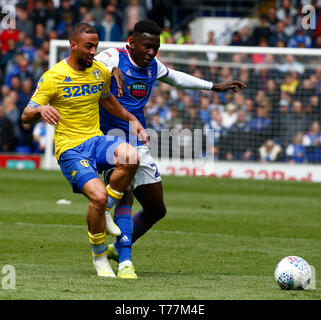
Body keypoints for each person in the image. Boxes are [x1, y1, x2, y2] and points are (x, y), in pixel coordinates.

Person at [95, 19, 246, 274]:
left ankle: (118, 246)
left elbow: (177, 78)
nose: (151, 53)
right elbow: (94, 67)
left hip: (137, 140)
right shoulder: (112, 56)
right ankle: (125, 262)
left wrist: (214, 87)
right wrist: (110, 72)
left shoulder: (153, 67)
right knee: (126, 192)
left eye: (155, 47)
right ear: (132, 43)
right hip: (108, 138)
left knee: (156, 209)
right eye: (146, 46)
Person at [21, 22, 148, 279]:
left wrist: (131, 119)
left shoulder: (99, 72)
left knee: (132, 157)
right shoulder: (53, 77)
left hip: (96, 140)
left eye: (96, 46)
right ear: (73, 45)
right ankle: (100, 256)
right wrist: (40, 110)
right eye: (89, 46)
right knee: (97, 198)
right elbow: (26, 115)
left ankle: (107, 210)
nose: (93, 51)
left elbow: (107, 100)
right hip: (70, 149)